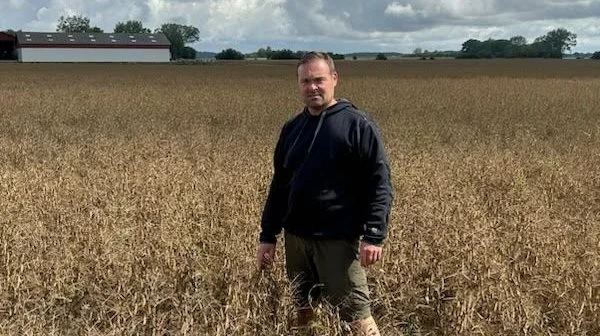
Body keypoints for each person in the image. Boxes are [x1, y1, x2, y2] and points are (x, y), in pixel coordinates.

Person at [257, 51, 393, 335]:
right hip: (296, 239)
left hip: (338, 241)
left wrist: (374, 236)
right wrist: (267, 236)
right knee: (304, 310)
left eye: (318, 80)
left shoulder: (358, 125)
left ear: (334, 79)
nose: (312, 87)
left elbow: (379, 183)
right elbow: (280, 185)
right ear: (298, 84)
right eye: (305, 81)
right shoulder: (292, 129)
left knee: (357, 317)